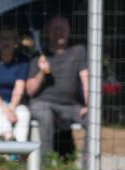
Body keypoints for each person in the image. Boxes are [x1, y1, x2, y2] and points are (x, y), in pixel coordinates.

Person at [25, 15, 88, 155]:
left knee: (92, 118)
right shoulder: (38, 56)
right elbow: (30, 91)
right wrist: (41, 73)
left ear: (69, 30)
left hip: (71, 106)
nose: (59, 31)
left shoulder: (78, 51)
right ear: (47, 32)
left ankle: (88, 166)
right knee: (45, 115)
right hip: (43, 104)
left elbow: (86, 80)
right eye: (55, 28)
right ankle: (46, 163)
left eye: (63, 28)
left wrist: (89, 105)